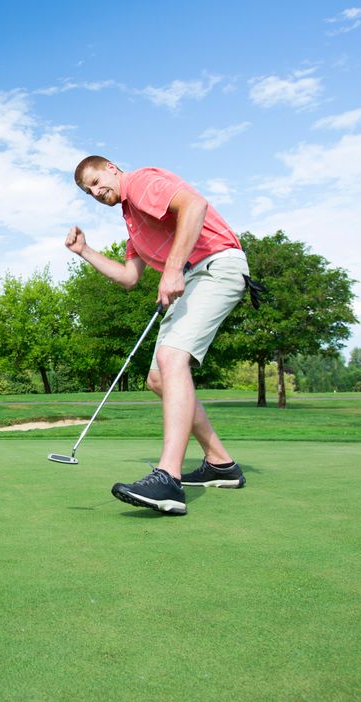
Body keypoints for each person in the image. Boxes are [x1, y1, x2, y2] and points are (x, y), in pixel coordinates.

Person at [67, 155, 251, 516]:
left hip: (216, 265)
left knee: (171, 359)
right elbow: (128, 278)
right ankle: (220, 464)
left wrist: (171, 270)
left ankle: (169, 477)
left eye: (95, 181)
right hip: (195, 274)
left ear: (110, 167)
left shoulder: (139, 182)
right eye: (89, 192)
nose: (96, 191)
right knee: (157, 378)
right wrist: (84, 251)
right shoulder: (132, 221)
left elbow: (194, 205)